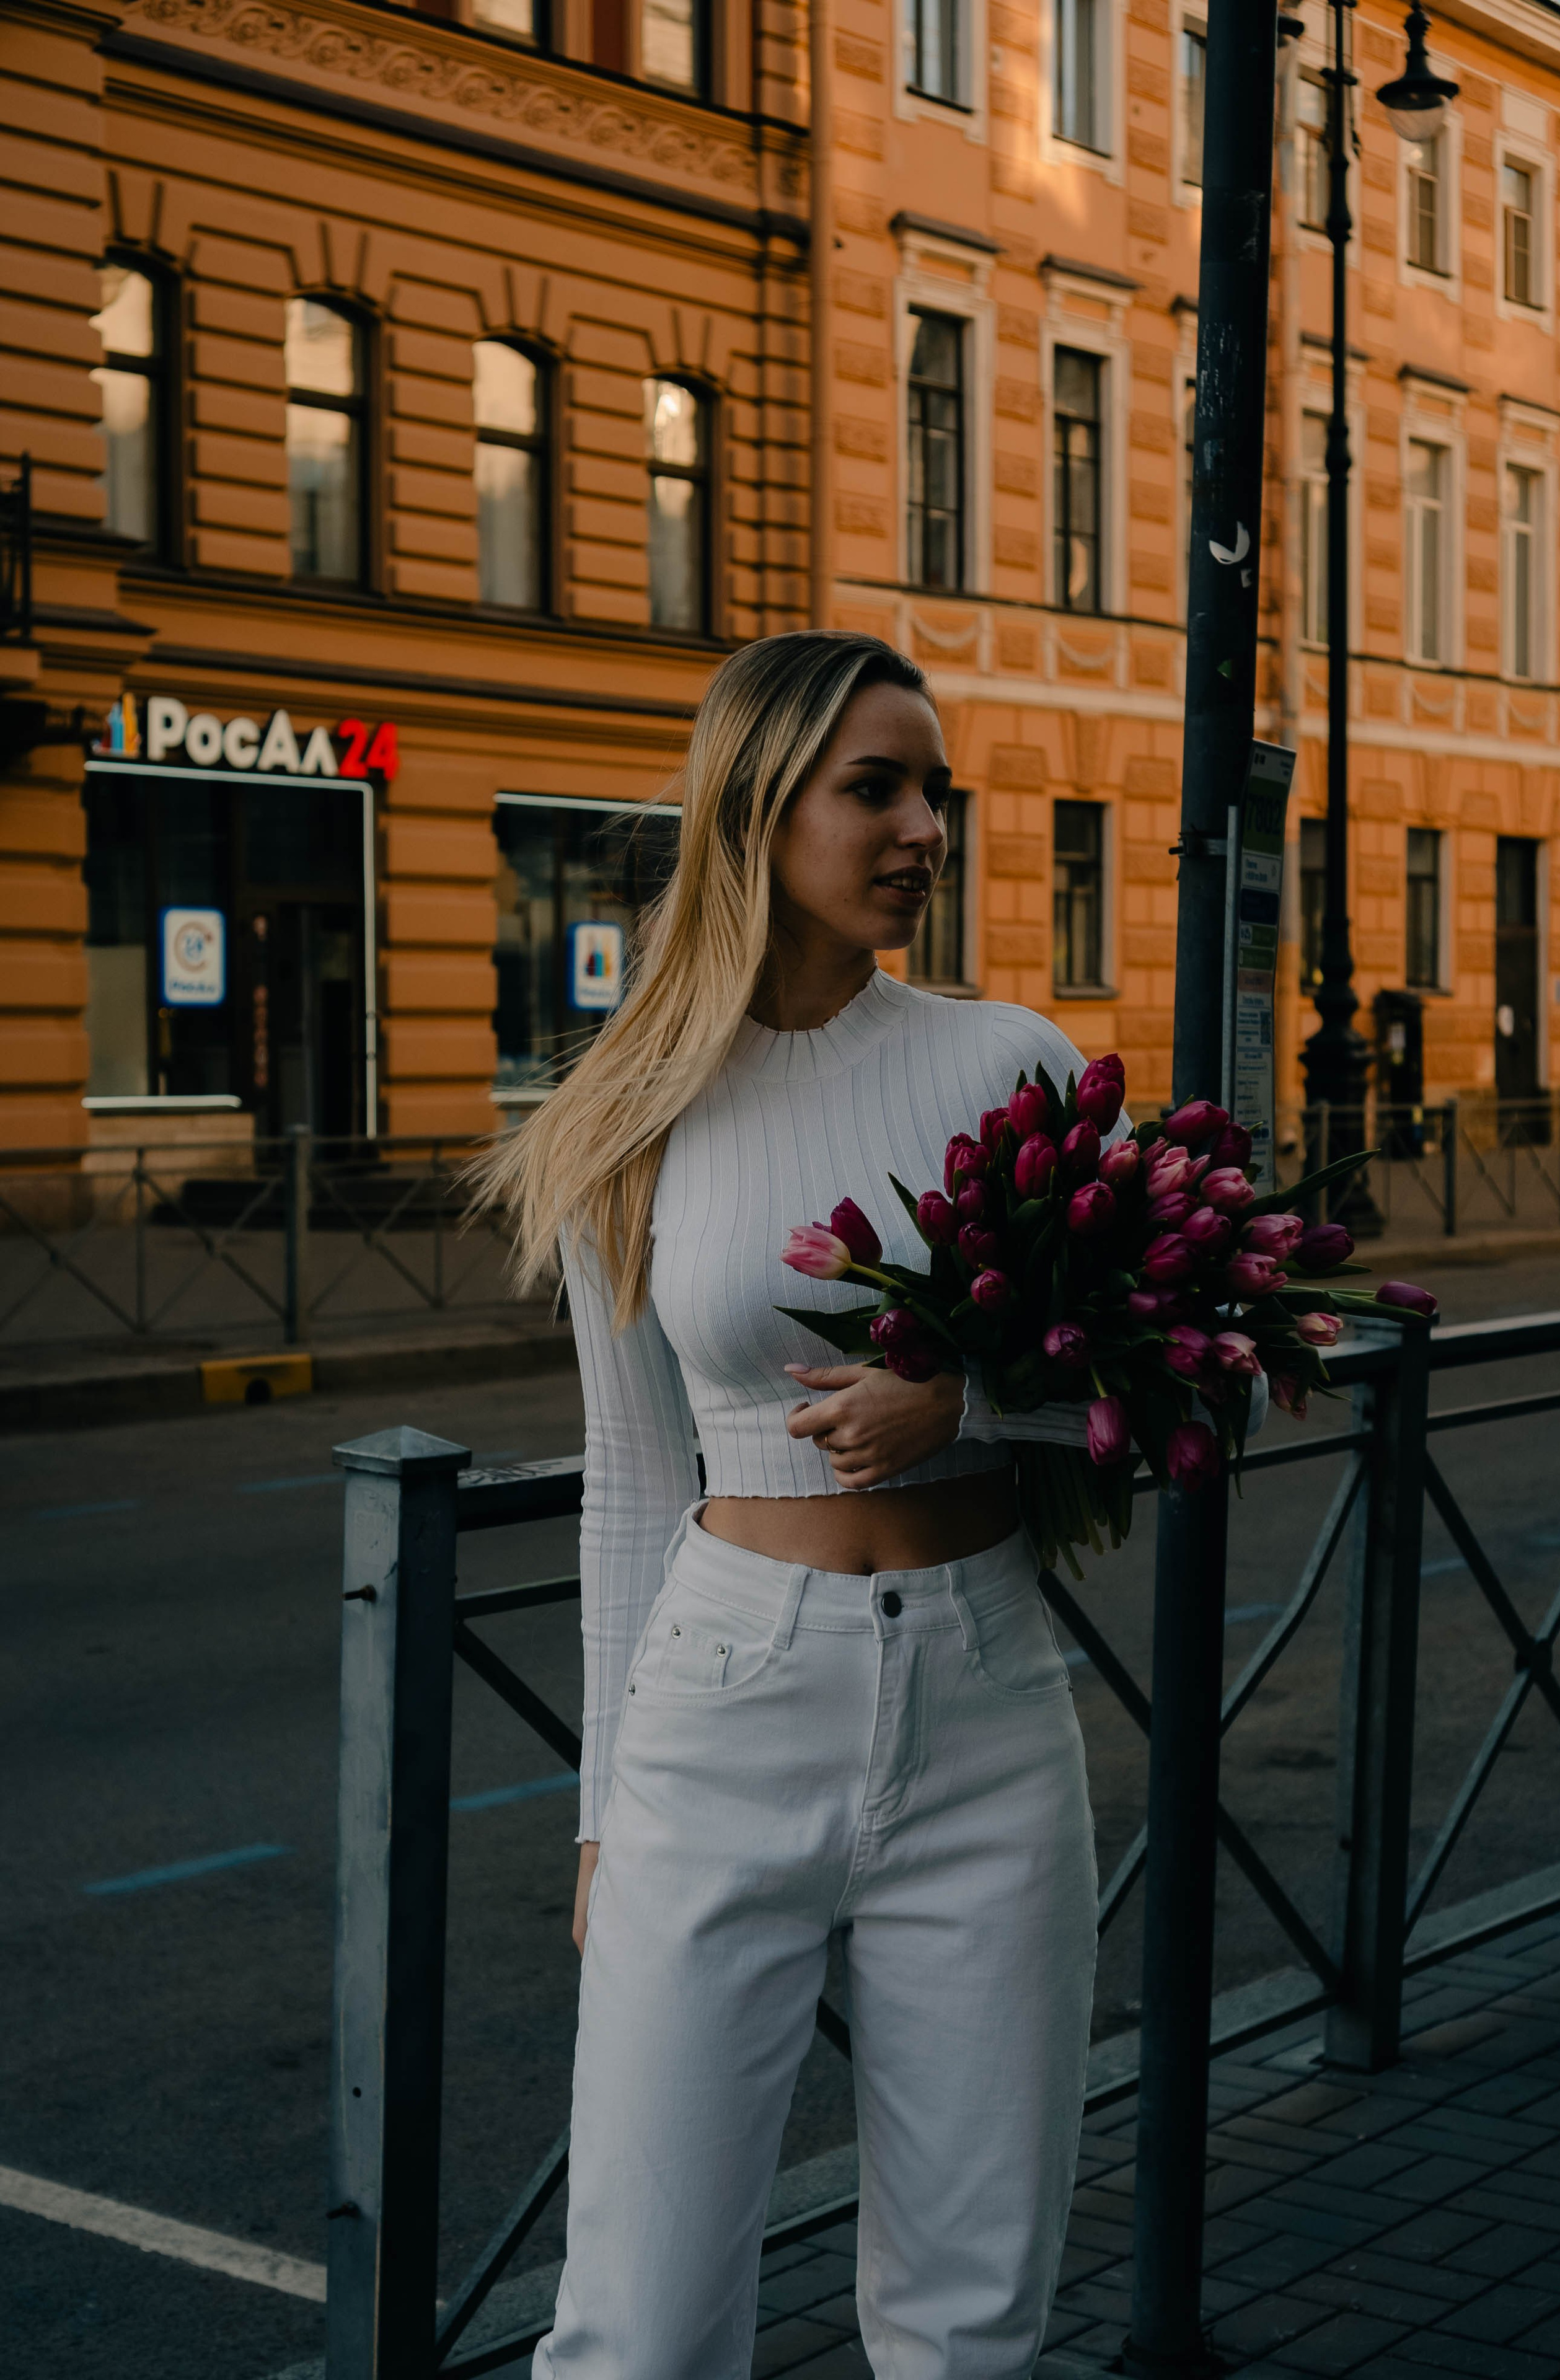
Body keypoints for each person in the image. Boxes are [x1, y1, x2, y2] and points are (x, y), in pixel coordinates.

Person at [484, 631, 1111, 2380]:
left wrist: (973, 1398)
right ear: (757, 806)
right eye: (876, 787)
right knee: (640, 2322)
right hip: (722, 1704)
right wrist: (606, 1816)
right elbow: (631, 1485)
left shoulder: (1011, 1064)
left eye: (936, 791)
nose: (924, 826)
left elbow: (1172, 1369)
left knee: (972, 2310)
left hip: (987, 1702)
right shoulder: (629, 1109)